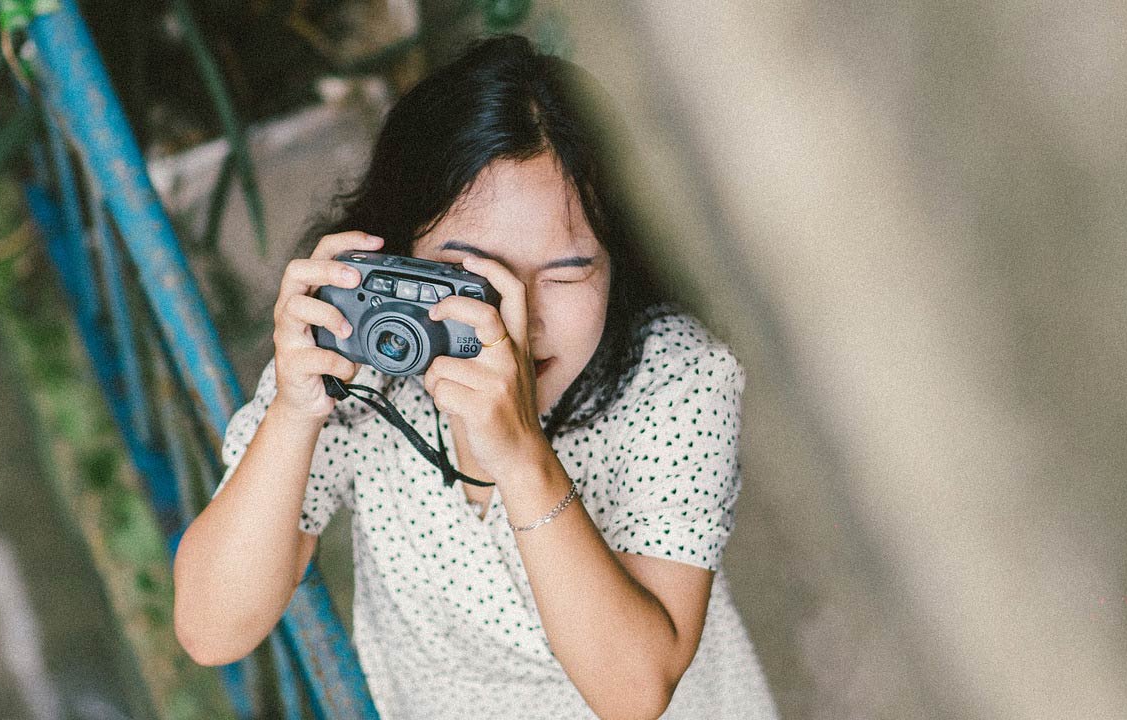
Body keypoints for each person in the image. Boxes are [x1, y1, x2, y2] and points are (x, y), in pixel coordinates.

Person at [173, 34, 779, 720]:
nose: (515, 322)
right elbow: (211, 628)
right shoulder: (366, 355)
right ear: (398, 255)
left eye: (569, 270)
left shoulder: (680, 381)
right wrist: (293, 411)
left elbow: (635, 693)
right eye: (471, 276)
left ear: (620, 259)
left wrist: (522, 458)